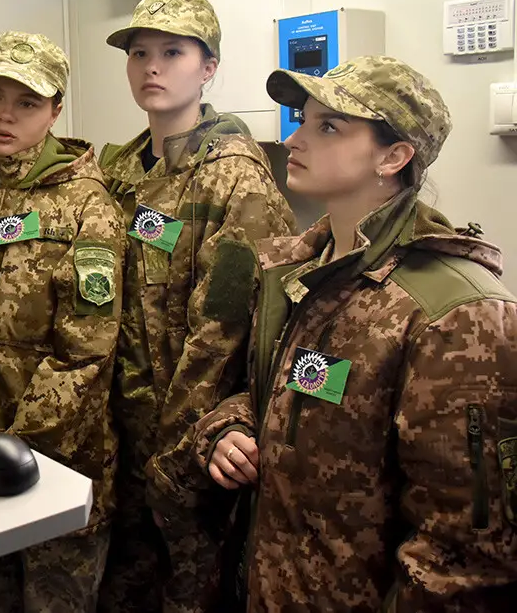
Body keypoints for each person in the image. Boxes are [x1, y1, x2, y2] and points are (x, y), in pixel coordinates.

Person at [192, 55, 517, 611]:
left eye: (329, 127)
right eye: (302, 118)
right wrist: (226, 428)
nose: (296, 138)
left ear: (394, 156)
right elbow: (275, 395)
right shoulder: (302, 269)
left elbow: (462, 557)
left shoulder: (455, 312)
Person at [95, 0, 296, 613]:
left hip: (187, 444)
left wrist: (176, 451)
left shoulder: (236, 177)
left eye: (173, 53)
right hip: (118, 430)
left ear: (207, 68)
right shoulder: (121, 168)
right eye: (140, 53)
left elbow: (226, 329)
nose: (151, 67)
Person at [0, 31, 127, 611]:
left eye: (27, 102)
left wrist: (20, 446)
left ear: (55, 112)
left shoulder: (85, 207)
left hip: (54, 457)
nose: (5, 114)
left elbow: (87, 350)